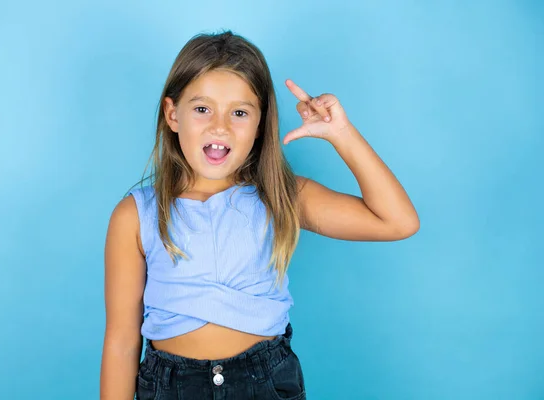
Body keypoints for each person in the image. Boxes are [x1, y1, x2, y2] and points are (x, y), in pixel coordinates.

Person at [100, 30, 419, 400]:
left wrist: (341, 134)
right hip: (170, 387)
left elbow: (398, 221)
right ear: (172, 114)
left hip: (264, 383)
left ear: (259, 125)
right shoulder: (135, 215)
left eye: (239, 112)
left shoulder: (282, 195)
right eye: (202, 109)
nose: (219, 126)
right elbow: (122, 342)